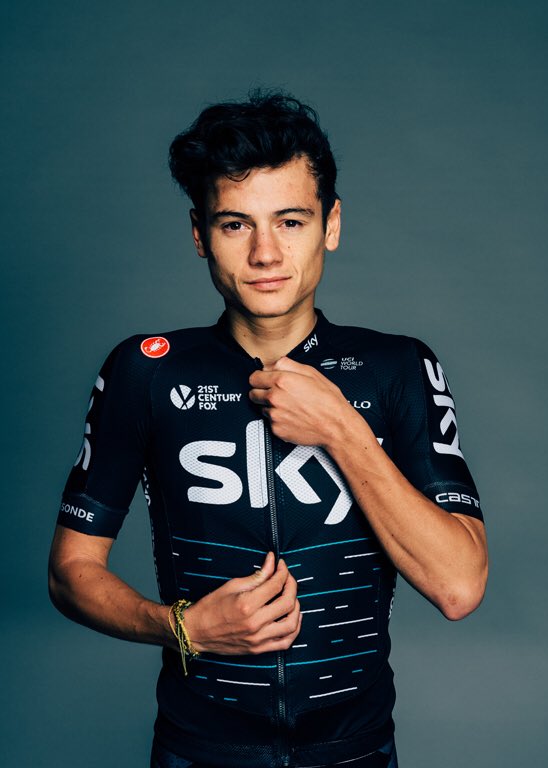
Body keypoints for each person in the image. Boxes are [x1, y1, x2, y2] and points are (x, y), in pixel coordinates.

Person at [49, 90, 488, 768]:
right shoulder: (144, 371)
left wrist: (340, 427)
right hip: (199, 750)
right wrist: (182, 628)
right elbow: (70, 573)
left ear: (330, 225)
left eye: (290, 221)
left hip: (355, 751)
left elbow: (459, 585)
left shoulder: (397, 368)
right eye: (235, 224)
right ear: (199, 234)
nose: (265, 253)